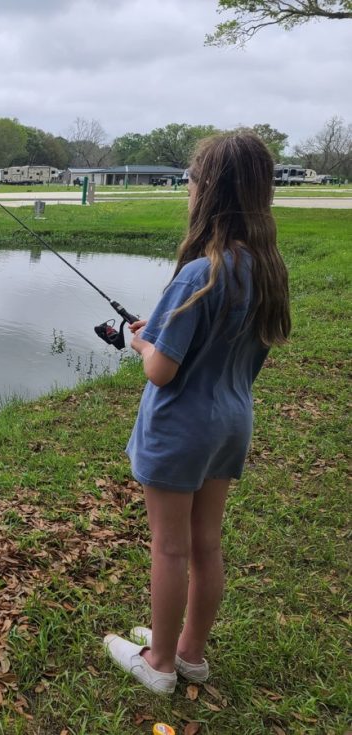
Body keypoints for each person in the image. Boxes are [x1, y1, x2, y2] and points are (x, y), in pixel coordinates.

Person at [103, 131, 292, 695]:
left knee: (170, 546)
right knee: (206, 543)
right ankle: (191, 652)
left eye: (190, 179)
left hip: (181, 428)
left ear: (207, 191)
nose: (186, 188)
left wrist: (141, 342)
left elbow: (162, 370)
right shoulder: (266, 269)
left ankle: (158, 662)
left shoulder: (197, 274)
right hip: (231, 424)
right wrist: (158, 336)